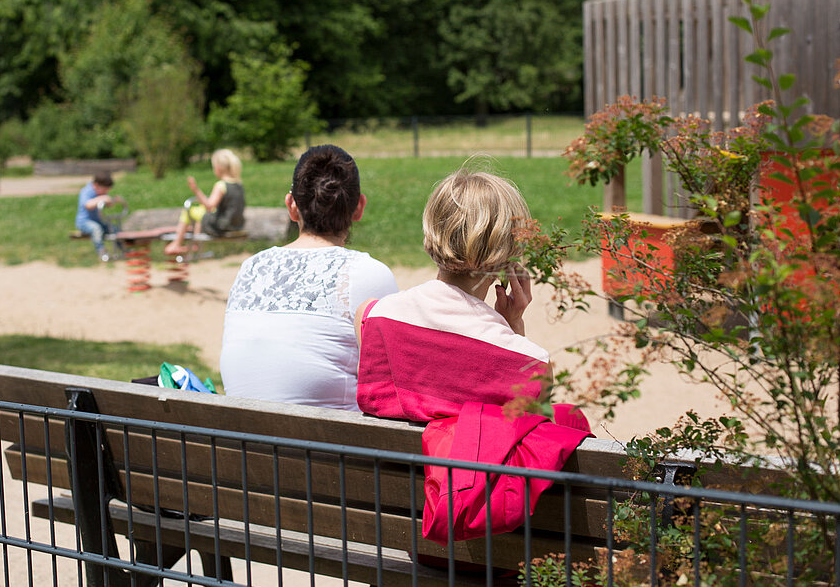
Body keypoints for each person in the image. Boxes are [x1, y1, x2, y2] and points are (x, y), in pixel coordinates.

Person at [354, 167, 591, 542]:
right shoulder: (529, 363)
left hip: (392, 533)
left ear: (432, 231)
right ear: (509, 252)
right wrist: (513, 326)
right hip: (485, 549)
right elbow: (520, 437)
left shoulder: (373, 318)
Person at [220, 145, 398, 410]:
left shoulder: (251, 268)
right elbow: (393, 384)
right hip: (330, 437)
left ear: (292, 206)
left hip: (240, 436)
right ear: (359, 207)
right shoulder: (368, 274)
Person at [164, 149, 246, 255]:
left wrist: (195, 190)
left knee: (188, 211)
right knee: (201, 212)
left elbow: (209, 206)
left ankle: (177, 243)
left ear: (218, 168)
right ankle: (196, 244)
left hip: (220, 226)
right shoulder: (238, 185)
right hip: (236, 225)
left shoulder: (221, 185)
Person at [75, 171, 125, 261]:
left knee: (114, 229)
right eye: (105, 189)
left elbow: (104, 204)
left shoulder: (100, 194)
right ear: (96, 185)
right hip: (84, 222)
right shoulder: (86, 191)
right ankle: (102, 252)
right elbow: (88, 205)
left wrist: (113, 201)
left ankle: (123, 249)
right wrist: (101, 198)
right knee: (96, 229)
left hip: (97, 221)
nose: (106, 192)